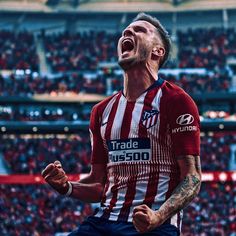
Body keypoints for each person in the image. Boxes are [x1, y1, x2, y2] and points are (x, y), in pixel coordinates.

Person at [42, 12, 201, 235]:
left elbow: (192, 177)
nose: (127, 32)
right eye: (126, 31)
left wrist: (158, 216)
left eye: (140, 30)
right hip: (103, 222)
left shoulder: (176, 101)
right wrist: (67, 187)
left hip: (154, 226)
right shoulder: (101, 111)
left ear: (158, 51)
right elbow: (99, 182)